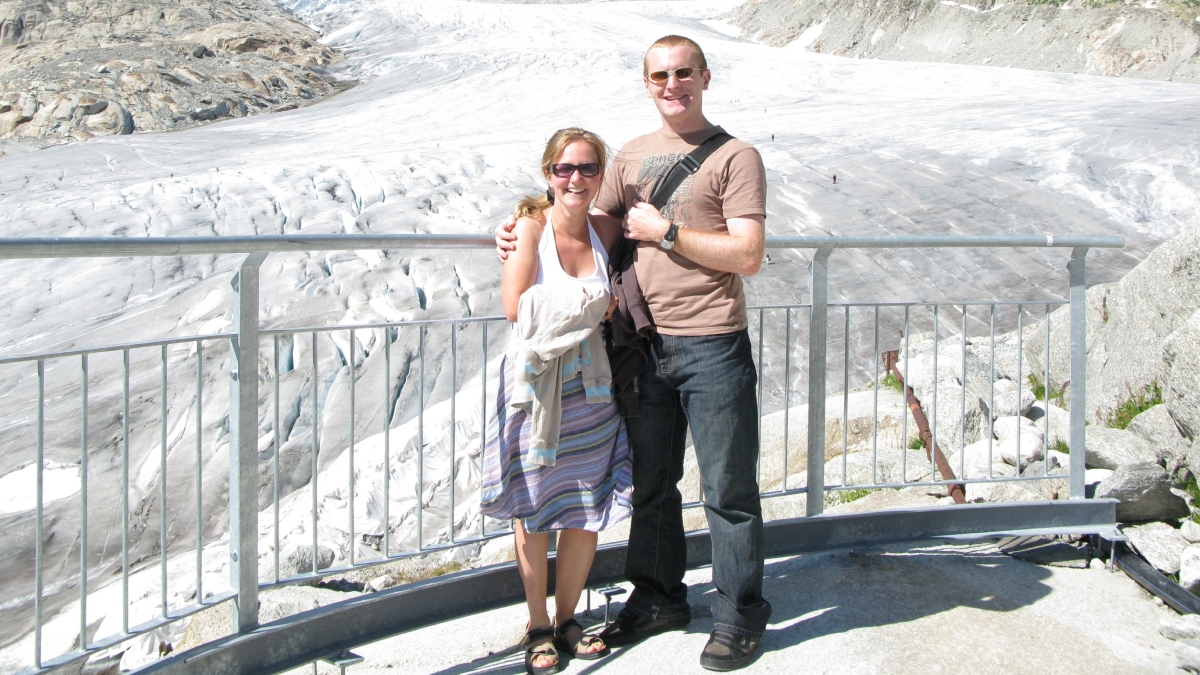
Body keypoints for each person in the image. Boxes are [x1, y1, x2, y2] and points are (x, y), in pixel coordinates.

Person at [497, 35, 771, 672]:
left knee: (729, 490)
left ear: (704, 76)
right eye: (659, 76)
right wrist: (519, 223)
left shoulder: (736, 157)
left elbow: (749, 255)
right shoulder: (632, 157)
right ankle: (657, 597)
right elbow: (582, 217)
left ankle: (738, 613)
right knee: (653, 486)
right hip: (646, 349)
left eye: (682, 73)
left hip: (713, 343)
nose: (671, 85)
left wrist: (667, 231)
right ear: (646, 84)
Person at [482, 127, 632, 675]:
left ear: (600, 176)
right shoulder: (529, 228)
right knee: (534, 504)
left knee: (585, 503)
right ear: (548, 173)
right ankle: (538, 623)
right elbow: (515, 306)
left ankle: (569, 618)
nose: (575, 178)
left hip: (592, 387)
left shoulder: (607, 228)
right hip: (535, 386)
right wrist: (594, 302)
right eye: (564, 168)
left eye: (587, 168)